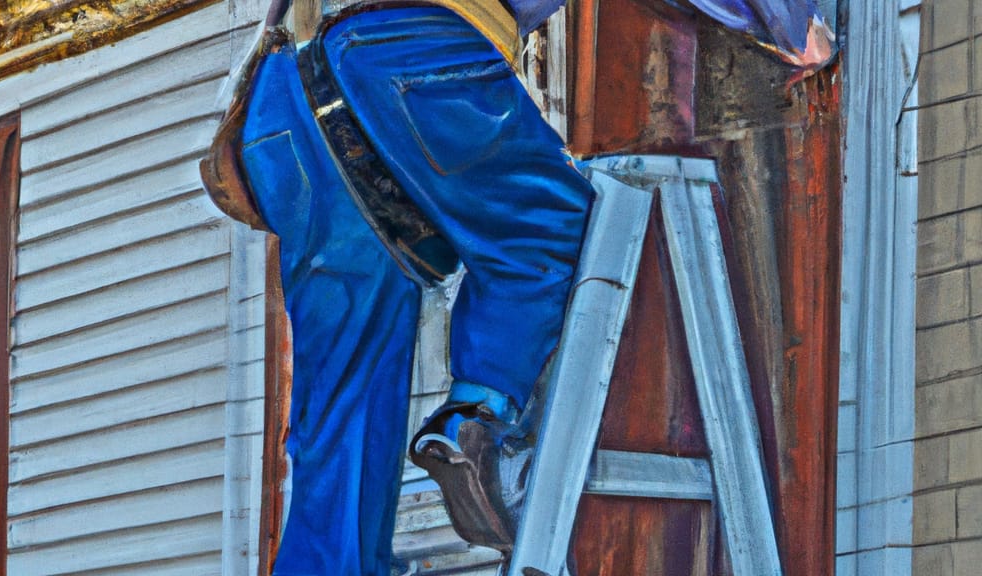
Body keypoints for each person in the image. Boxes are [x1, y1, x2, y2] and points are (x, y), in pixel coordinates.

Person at [202, 1, 834, 574]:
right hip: (405, 48)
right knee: (554, 233)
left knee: (343, 398)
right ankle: (474, 415)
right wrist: (791, 25)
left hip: (283, 102)